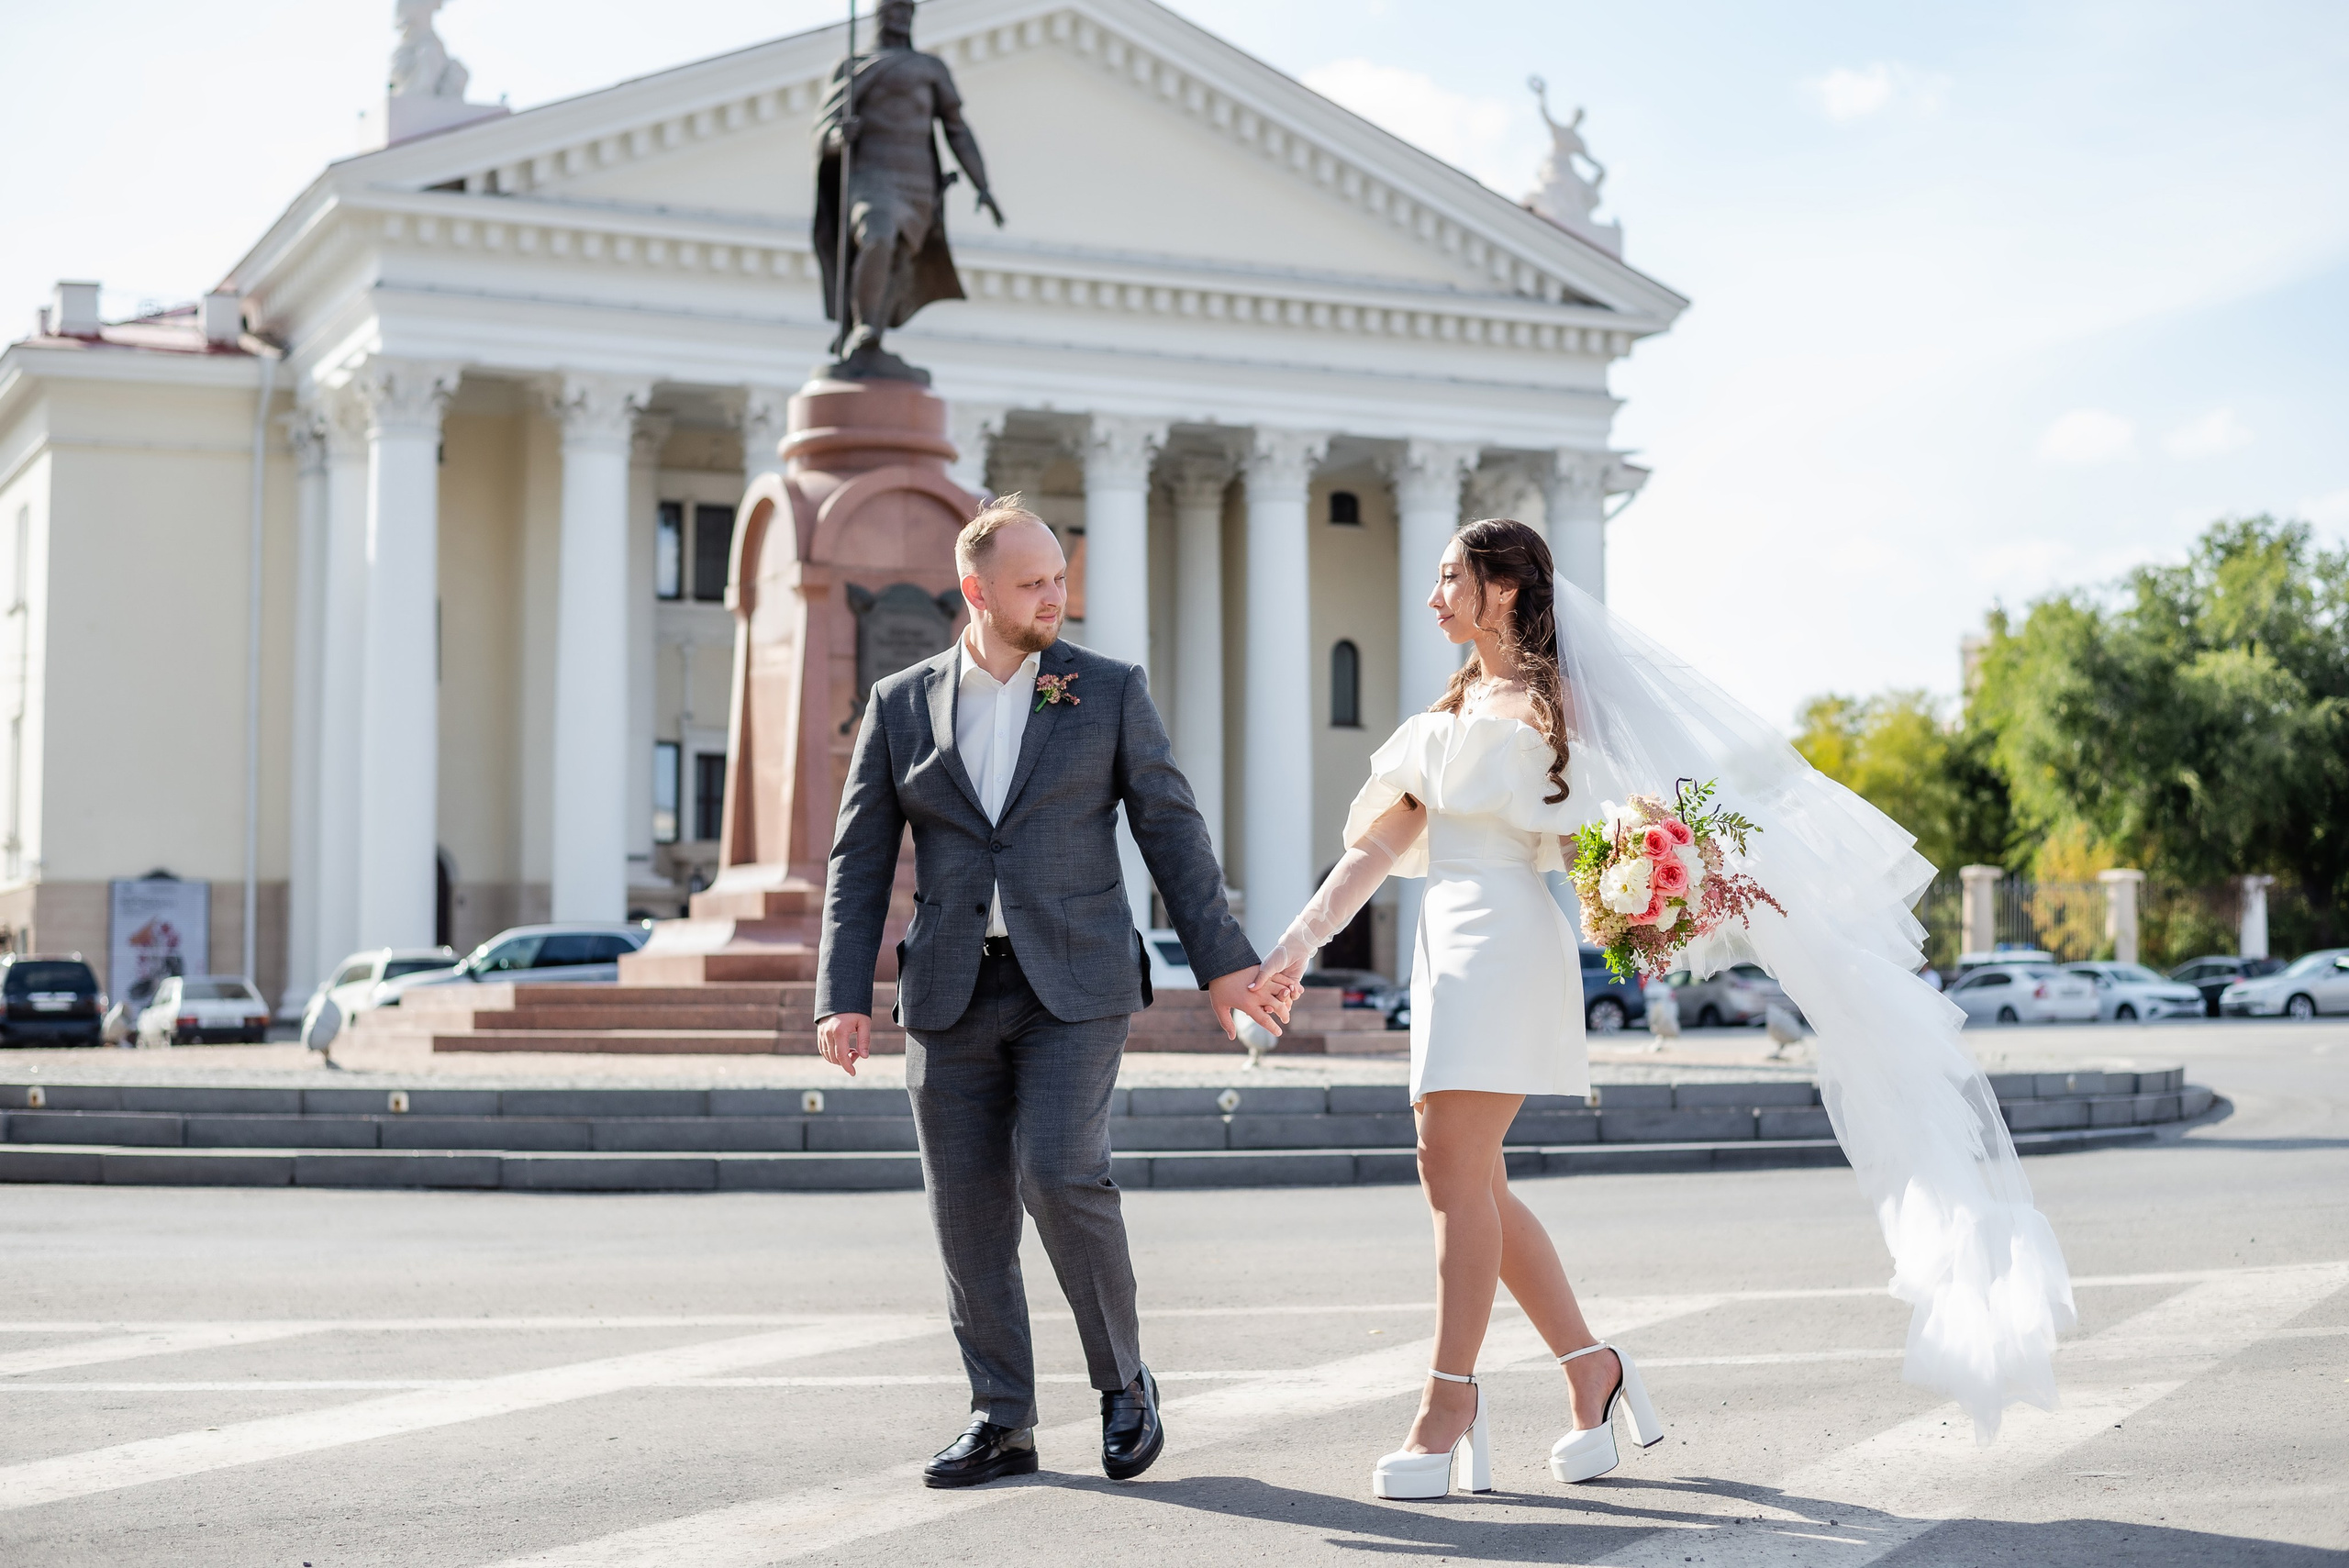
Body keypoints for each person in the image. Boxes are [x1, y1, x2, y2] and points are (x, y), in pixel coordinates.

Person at [1257, 518, 2076, 1498]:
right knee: (1471, 1181)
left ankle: (1448, 1403)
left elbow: (1601, 838)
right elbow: (1376, 849)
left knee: (1450, 1174)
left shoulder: (1561, 704)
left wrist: (1655, 881)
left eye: (1450, 577)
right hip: (1444, 943)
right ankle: (1590, 1371)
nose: (1433, 594)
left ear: (1505, 589)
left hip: (1507, 944)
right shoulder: (1452, 704)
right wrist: (1297, 944)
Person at [814, 497, 1285, 1490]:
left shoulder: (1106, 689)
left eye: (1060, 579)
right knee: (967, 1208)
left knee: (1061, 1171)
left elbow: (1171, 826)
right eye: (1033, 583)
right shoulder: (901, 702)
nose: (1054, 597)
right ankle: (1000, 1416)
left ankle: (1122, 1383)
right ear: (976, 591)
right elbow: (859, 859)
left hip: (1074, 980)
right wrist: (840, 991)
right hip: (947, 988)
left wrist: (1222, 961)